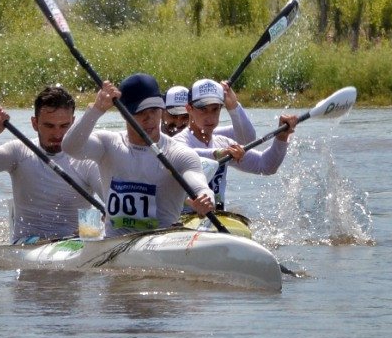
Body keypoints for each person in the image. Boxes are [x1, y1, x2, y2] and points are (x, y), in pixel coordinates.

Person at [62, 73, 215, 237]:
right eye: (140, 112)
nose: (149, 118)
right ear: (124, 113)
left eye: (154, 110)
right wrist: (96, 110)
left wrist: (206, 197)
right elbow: (70, 147)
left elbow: (199, 185)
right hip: (114, 241)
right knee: (88, 229)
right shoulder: (107, 144)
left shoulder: (179, 153)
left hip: (162, 239)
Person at [0, 85, 102, 243]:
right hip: (27, 242)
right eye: (49, 126)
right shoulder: (19, 151)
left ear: (73, 122)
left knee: (92, 225)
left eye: (64, 126)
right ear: (35, 123)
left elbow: (111, 201)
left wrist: (107, 218)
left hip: (77, 242)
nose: (58, 134)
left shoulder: (86, 159)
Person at [179, 77, 299, 209]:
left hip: (215, 216)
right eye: (203, 109)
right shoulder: (177, 142)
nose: (210, 117)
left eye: (215, 109)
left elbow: (266, 166)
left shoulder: (223, 143)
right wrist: (220, 153)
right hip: (180, 218)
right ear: (189, 109)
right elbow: (186, 155)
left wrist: (282, 137)